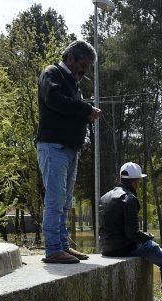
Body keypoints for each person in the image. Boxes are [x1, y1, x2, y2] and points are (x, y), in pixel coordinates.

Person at [36, 40, 101, 264]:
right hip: (53, 146)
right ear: (71, 58)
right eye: (83, 65)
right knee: (55, 199)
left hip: (70, 149)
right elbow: (54, 100)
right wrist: (85, 109)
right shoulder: (51, 73)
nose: (84, 71)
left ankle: (63, 245)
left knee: (65, 201)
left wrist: (85, 113)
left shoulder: (73, 83)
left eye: (88, 67)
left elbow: (71, 109)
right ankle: (53, 249)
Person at [98, 162, 162, 275]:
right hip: (123, 248)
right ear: (135, 181)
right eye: (139, 181)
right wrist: (147, 237)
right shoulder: (129, 199)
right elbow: (132, 234)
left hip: (106, 248)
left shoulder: (104, 197)